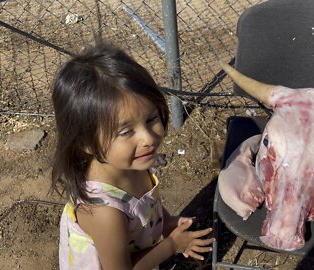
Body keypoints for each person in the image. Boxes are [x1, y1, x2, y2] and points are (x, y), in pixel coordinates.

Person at [50, 43, 214, 270]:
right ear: (85, 142)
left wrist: (165, 223)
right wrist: (172, 245)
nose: (147, 138)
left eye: (151, 119)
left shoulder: (131, 160)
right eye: (126, 131)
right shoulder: (105, 212)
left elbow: (145, 205)